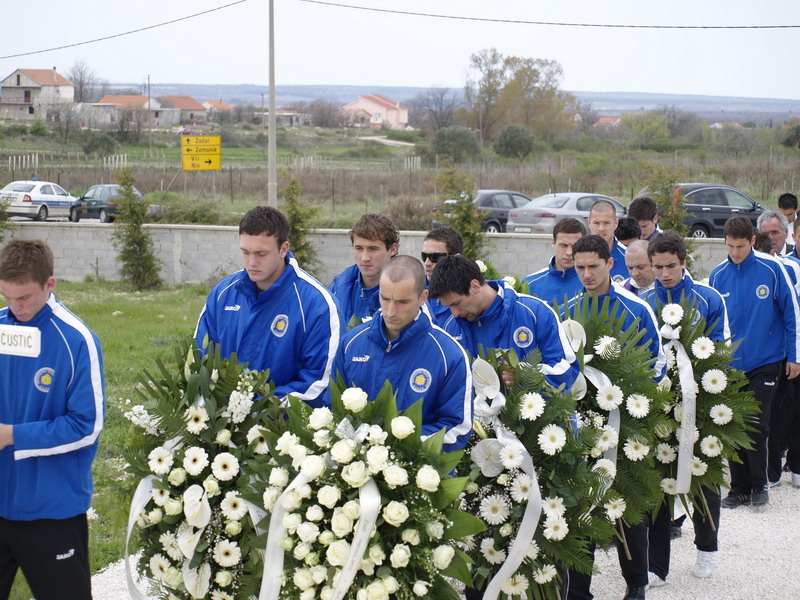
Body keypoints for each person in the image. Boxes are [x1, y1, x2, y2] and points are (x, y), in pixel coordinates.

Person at [0, 239, 105, 600]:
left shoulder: (77, 340)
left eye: (25, 297)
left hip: (51, 510)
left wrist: (13, 435)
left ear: (50, 284)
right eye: (7, 297)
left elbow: (86, 426)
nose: (16, 307)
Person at [565, 234, 665, 600]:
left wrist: (631, 394)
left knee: (627, 503)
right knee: (579, 504)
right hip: (580, 425)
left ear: (611, 264)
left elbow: (658, 362)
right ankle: (578, 589)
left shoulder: (636, 308)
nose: (587, 275)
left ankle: (636, 581)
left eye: (594, 266)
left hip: (626, 422)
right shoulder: (568, 309)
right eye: (580, 268)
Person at [641, 231, 729, 585]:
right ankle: (656, 565)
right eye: (658, 267)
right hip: (660, 406)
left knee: (703, 478)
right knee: (657, 483)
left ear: (683, 262)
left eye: (671, 266)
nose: (664, 273)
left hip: (701, 401)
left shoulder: (708, 299)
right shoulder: (645, 302)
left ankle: (707, 547)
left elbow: (722, 352)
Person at [195, 206, 343, 407]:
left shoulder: (317, 304)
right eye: (245, 252)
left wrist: (257, 409)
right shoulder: (223, 294)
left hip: (282, 430)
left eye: (261, 253)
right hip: (222, 424)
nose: (252, 262)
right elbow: (200, 359)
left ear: (283, 249)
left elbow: (319, 383)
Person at [327, 256, 472, 451]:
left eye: (403, 302)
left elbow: (457, 428)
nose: (391, 311)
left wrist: (395, 448)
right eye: (385, 299)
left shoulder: (449, 355)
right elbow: (332, 408)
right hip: (355, 470)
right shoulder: (351, 343)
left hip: (413, 471)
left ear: (423, 297)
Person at [709, 216, 800, 508]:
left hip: (766, 360)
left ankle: (760, 484)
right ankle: (738, 489)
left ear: (752, 241)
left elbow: (792, 313)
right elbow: (713, 321)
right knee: (732, 422)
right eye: (730, 246)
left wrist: (795, 357)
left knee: (756, 422)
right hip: (730, 365)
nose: (735, 252)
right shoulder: (717, 275)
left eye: (740, 246)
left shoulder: (773, 269)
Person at [429, 255, 579, 391]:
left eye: (457, 303)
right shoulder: (450, 326)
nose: (454, 313)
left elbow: (568, 369)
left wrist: (526, 375)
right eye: (448, 307)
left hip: (535, 417)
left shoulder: (535, 312)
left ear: (475, 286)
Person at [329, 213, 399, 324]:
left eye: (373, 249)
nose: (365, 257)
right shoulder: (336, 290)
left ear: (393, 249)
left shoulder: (408, 296)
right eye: (359, 248)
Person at [523, 217, 586, 306]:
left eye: (575, 246)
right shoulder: (530, 284)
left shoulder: (593, 283)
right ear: (553, 243)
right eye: (563, 245)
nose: (569, 252)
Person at [421, 226, 463, 326]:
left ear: (456, 258)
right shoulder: (415, 290)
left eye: (434, 257)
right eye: (424, 256)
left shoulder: (470, 294)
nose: (427, 263)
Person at [588, 199, 629, 283]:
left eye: (606, 223)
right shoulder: (575, 257)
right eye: (596, 223)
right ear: (589, 223)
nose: (601, 228)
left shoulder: (628, 258)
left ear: (616, 223)